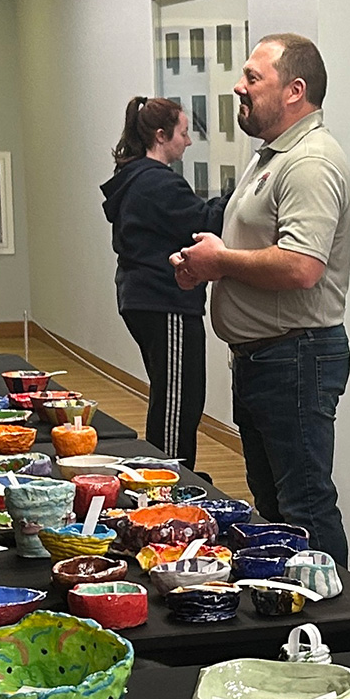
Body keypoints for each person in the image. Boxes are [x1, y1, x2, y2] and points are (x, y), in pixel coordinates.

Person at [171, 33, 350, 565]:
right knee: (274, 505)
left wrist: (220, 263)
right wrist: (205, 267)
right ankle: (288, 619)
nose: (238, 86)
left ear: (295, 90)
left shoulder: (311, 162)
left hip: (296, 356)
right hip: (265, 357)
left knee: (305, 506)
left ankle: (334, 631)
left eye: (253, 77)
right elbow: (260, 251)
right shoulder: (271, 157)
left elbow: (301, 266)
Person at [101, 96, 227, 467]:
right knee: (178, 402)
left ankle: (168, 475)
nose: (188, 141)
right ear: (161, 135)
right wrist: (241, 196)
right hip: (165, 301)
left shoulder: (138, 178)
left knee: (173, 395)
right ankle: (170, 481)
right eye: (184, 133)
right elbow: (204, 221)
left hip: (145, 300)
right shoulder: (157, 183)